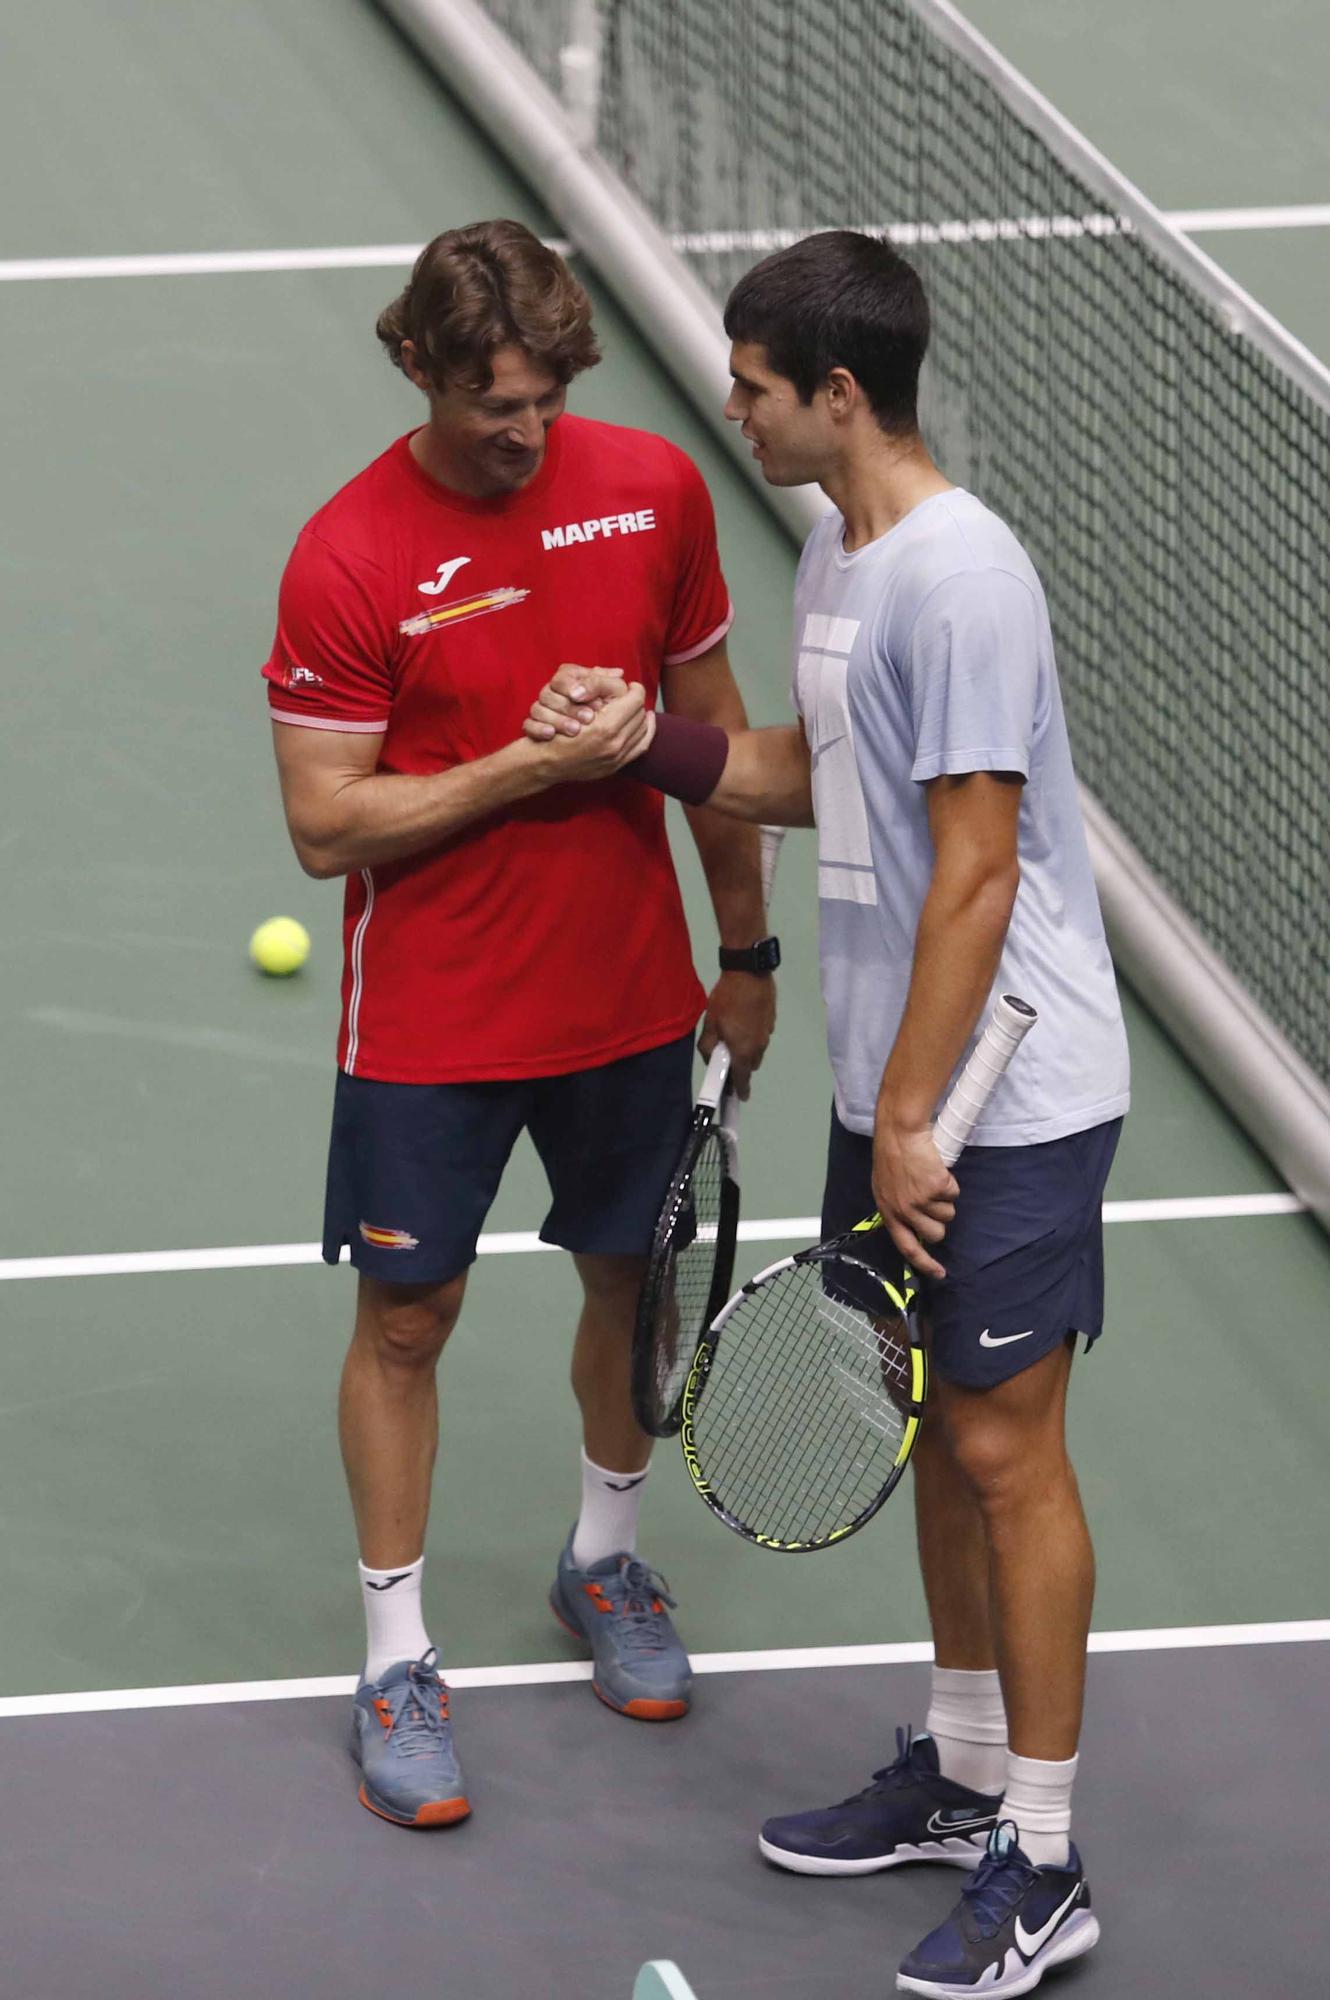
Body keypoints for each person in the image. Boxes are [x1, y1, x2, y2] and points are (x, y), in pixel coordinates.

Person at [524, 229, 1129, 1995]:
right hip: (900, 1083)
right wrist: (633, 744)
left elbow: (974, 870)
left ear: (836, 394)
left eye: (754, 386)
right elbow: (810, 772)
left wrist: (922, 1116)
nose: (734, 409)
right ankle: (956, 1776)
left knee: (1008, 1450)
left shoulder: (963, 577)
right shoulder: (832, 552)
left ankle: (1043, 1855)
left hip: (999, 1092)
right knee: (932, 1421)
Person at [262, 219, 778, 1830]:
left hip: (627, 991)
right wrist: (533, 770)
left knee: (631, 1289)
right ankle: (396, 1656)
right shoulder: (346, 556)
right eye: (494, 401)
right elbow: (327, 828)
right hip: (431, 1016)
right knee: (408, 1323)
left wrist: (744, 950)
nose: (527, 433)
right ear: (414, 364)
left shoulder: (657, 492)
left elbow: (715, 742)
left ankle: (604, 1565)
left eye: (548, 401)